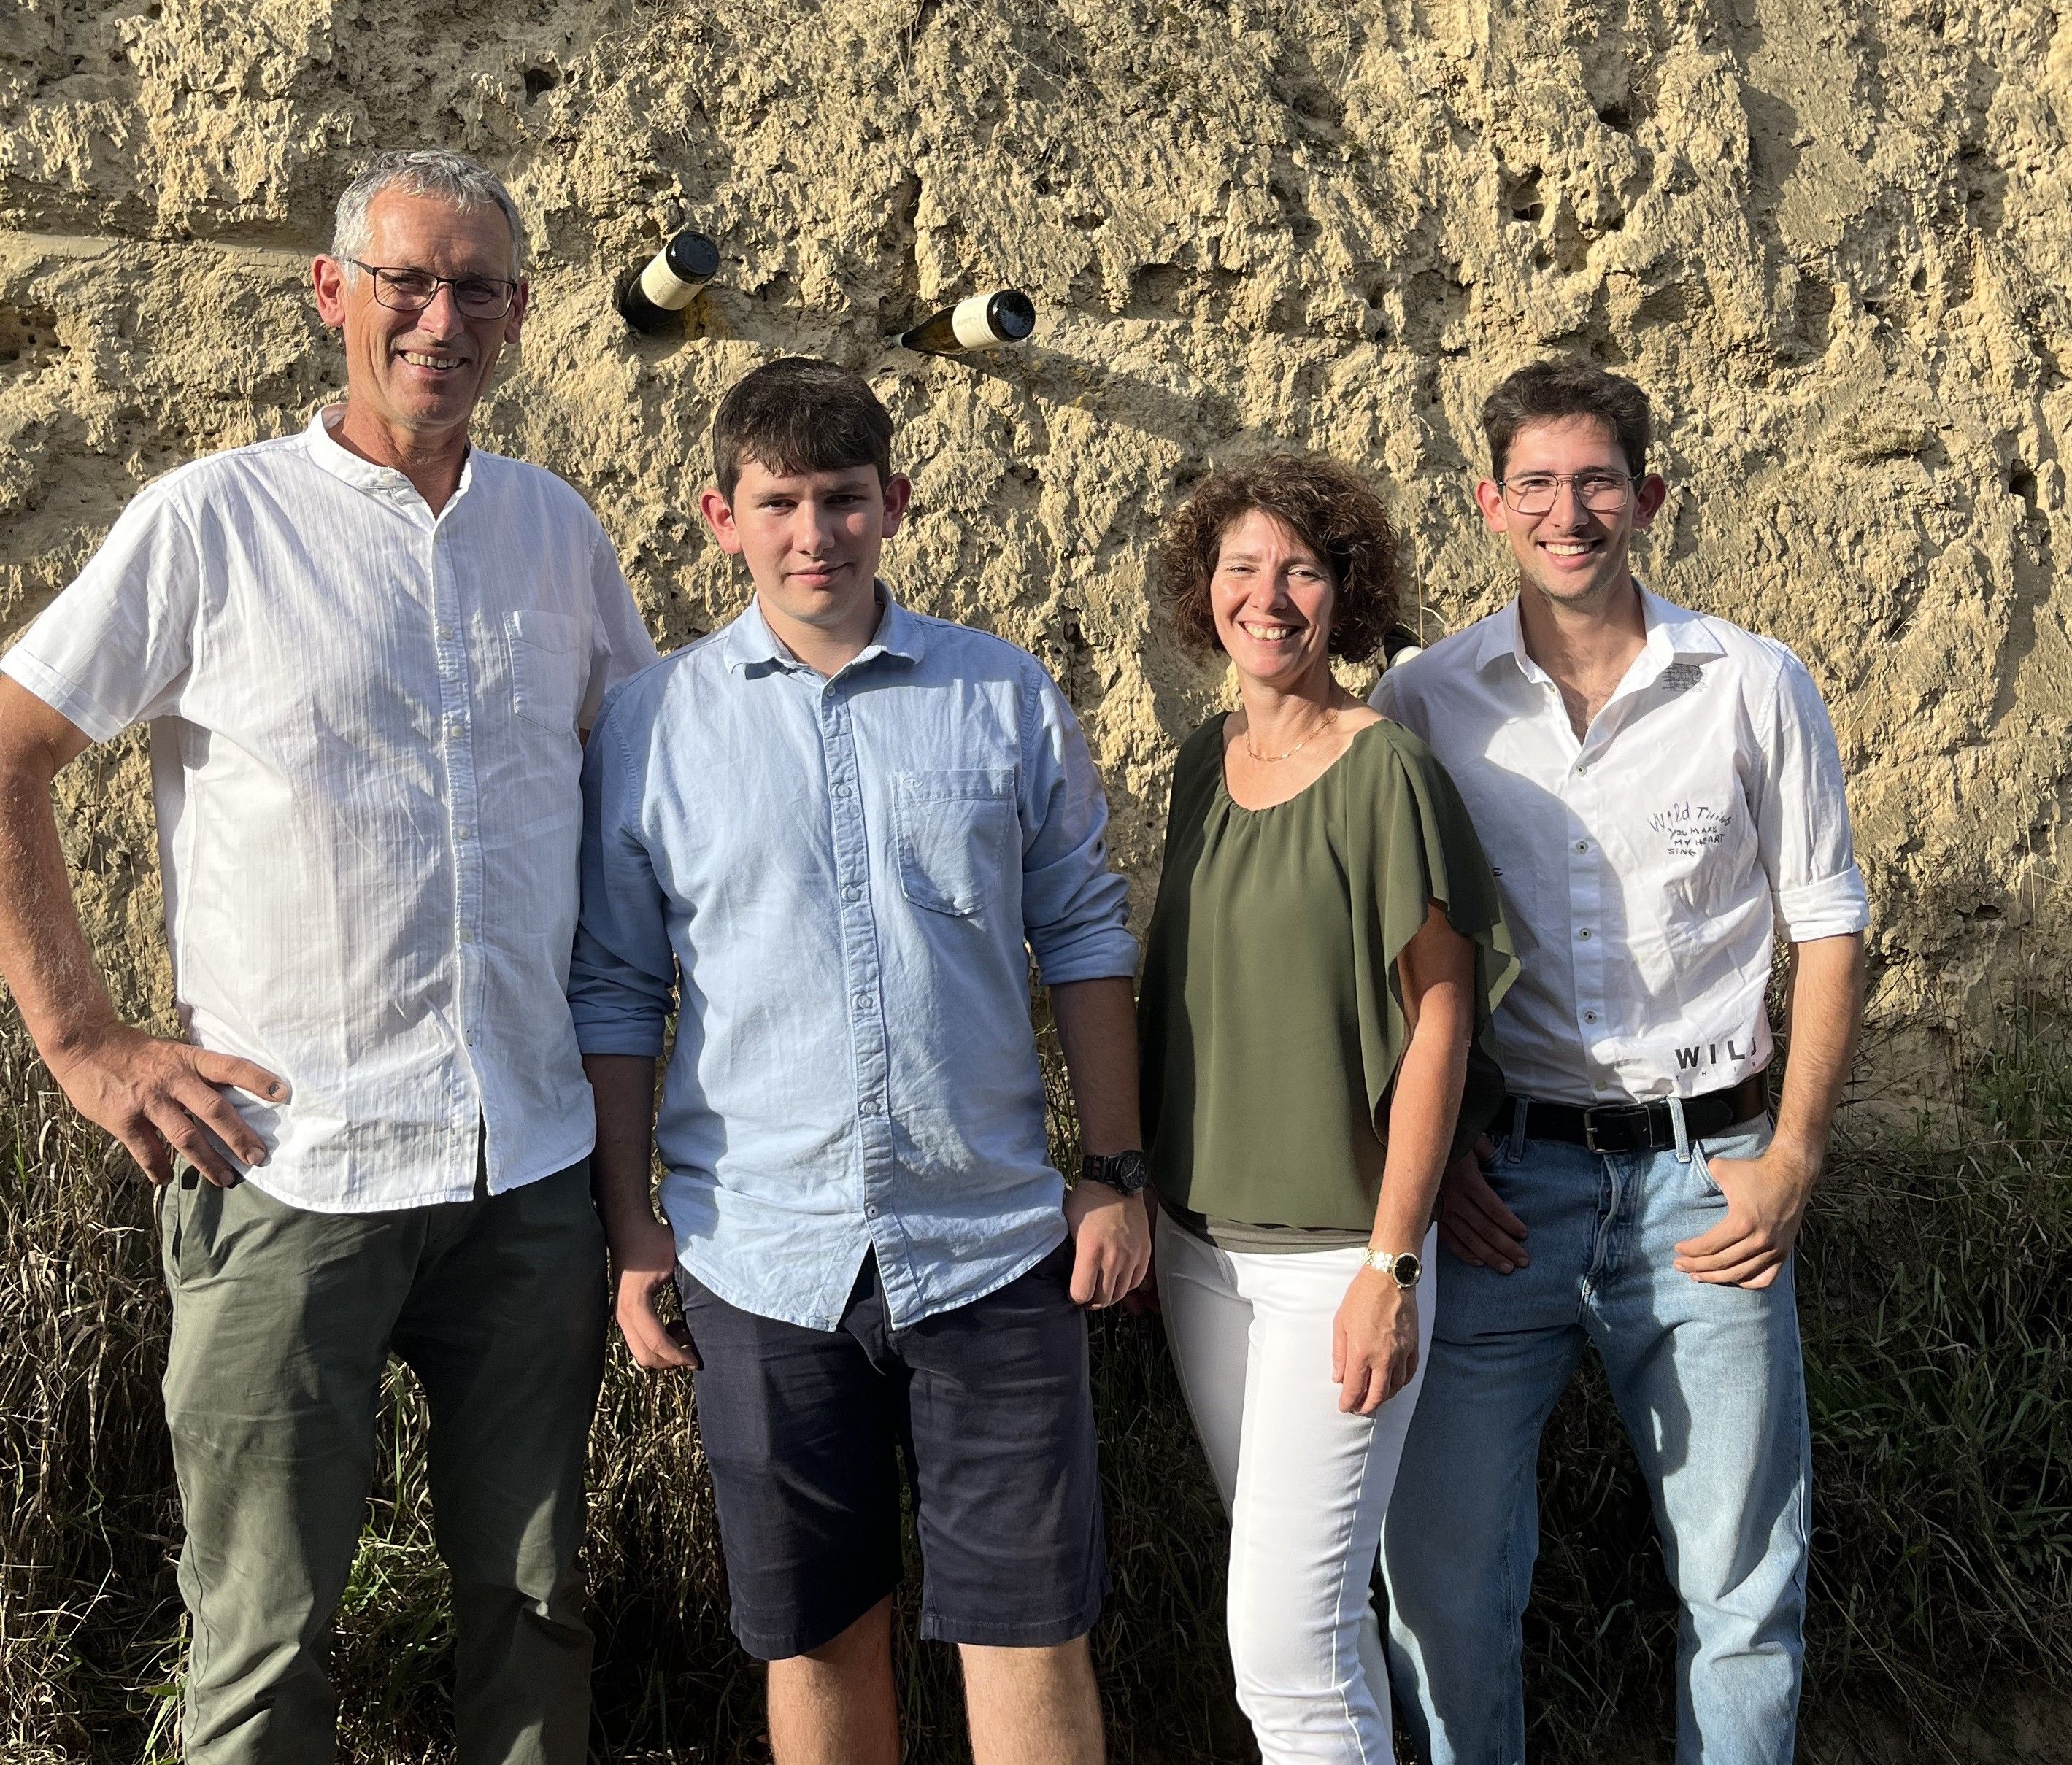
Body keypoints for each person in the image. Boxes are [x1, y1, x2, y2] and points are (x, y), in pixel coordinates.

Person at [0, 150, 658, 1762]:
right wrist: (86, 1041)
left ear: (516, 317)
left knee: (536, 1611)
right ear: (332, 294)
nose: (441, 319)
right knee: (266, 1631)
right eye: (407, 283)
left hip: (529, 1171)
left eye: (478, 289)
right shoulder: (211, 524)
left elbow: (642, 807)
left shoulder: (558, 537)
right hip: (288, 1167)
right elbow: (8, 749)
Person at [568, 356, 1149, 1765]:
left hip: (995, 1245)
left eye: (843, 499)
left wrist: (1114, 1171)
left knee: (1030, 1634)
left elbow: (1081, 932)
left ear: (896, 501)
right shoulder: (655, 726)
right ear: (722, 515)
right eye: (781, 503)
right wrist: (633, 1225)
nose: (814, 534)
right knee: (819, 1636)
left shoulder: (999, 696)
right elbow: (619, 986)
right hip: (759, 1252)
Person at [1372, 357, 1871, 1765]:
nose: (1567, 510)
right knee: (1444, 1588)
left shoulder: (1751, 683)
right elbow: (1402, 953)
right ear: (1489, 504)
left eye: (1596, 481)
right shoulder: (1429, 700)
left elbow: (1828, 927)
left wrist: (1791, 1162)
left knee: (1743, 1585)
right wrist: (1444, 1150)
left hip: (1709, 1188)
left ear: (1646, 497)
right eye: (1534, 483)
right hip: (1502, 1196)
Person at [1137, 455, 1517, 1764]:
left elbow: (1441, 1025)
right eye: (1242, 567)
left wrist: (1391, 1264)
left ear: (1346, 595)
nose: (1269, 595)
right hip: (1203, 1256)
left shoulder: (1385, 771)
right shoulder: (1204, 764)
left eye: (1302, 568)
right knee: (1319, 1619)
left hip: (1335, 1271)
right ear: (1205, 591)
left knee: (1283, 1659)